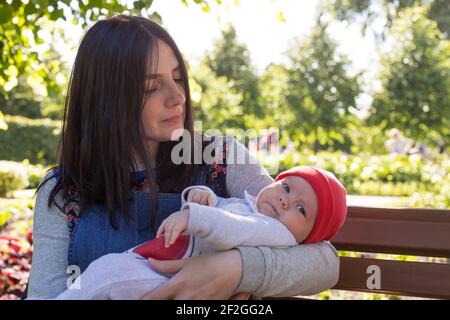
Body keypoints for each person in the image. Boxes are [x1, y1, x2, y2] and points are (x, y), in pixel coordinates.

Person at [27, 14, 340, 300]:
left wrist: (233, 269)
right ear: (106, 98)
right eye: (152, 86)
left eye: (178, 78)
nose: (178, 98)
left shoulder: (221, 157)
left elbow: (322, 262)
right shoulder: (64, 191)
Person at [54, 166, 347, 299]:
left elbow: (234, 229)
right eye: (285, 187)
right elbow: (222, 208)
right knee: (104, 274)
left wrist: (195, 216)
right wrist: (201, 195)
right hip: (158, 266)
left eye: (301, 209)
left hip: (167, 281)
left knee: (110, 274)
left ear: (306, 236)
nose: (286, 199)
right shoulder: (248, 204)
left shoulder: (274, 231)